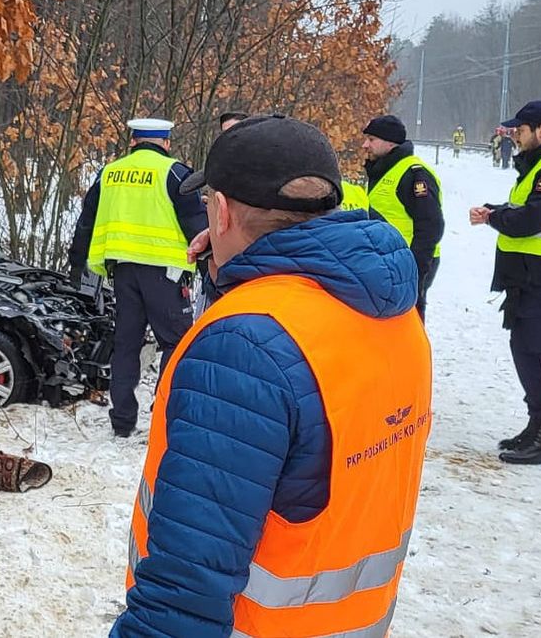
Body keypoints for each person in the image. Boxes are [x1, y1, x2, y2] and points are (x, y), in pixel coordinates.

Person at [114, 115, 432, 637]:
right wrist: (238, 281)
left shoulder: (241, 348)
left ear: (219, 211)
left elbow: (186, 586)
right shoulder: (393, 314)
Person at [67, 118, 207, 438]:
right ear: (166, 143)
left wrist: (76, 265)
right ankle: (165, 414)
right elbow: (196, 226)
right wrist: (208, 269)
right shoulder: (175, 173)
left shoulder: (109, 174)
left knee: (126, 345)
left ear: (133, 141)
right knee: (176, 344)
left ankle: (122, 420)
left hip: (123, 272)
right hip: (166, 275)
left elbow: (85, 223)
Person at [469, 100, 541, 465]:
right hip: (533, 275)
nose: (514, 137)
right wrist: (496, 211)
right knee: (526, 347)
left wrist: (495, 217)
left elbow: (533, 218)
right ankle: (536, 425)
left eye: (519, 131)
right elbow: (526, 210)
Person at [362, 114, 445, 320]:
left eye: (371, 140)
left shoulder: (415, 174)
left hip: (410, 262)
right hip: (387, 262)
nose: (365, 145)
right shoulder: (382, 170)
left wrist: (415, 270)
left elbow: (431, 226)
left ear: (390, 143)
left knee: (408, 322)